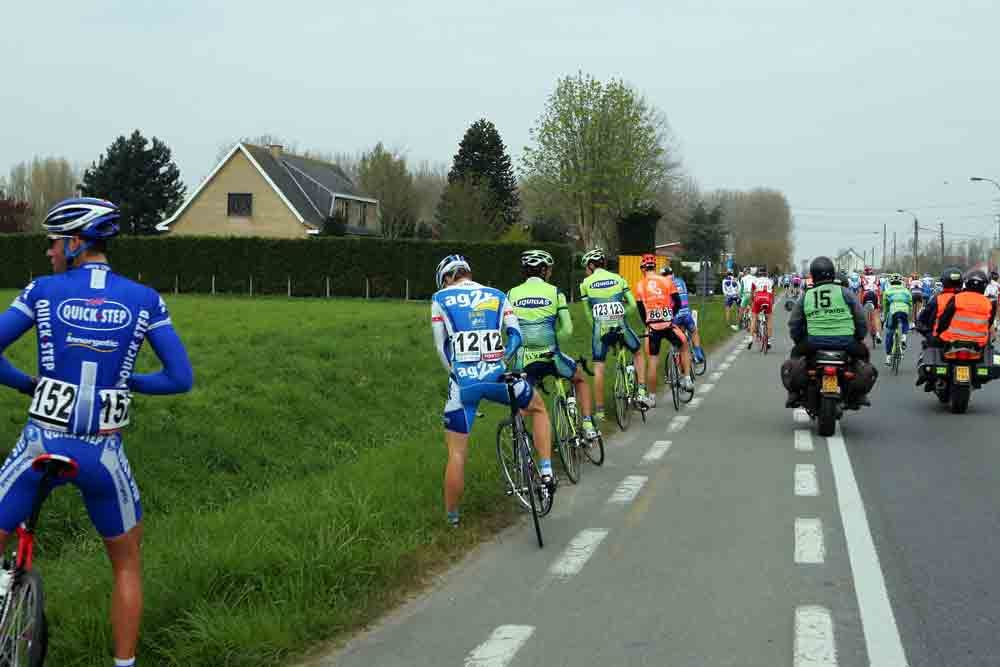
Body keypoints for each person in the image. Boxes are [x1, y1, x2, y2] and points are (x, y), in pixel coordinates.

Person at [0, 198, 194, 667]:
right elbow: (180, 378)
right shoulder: (145, 299)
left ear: (75, 242)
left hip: (42, 442)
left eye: (53, 242)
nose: (48, 252)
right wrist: (129, 381)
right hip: (103, 455)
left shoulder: (42, 290)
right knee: (126, 565)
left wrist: (27, 382)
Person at [432, 254, 555, 527]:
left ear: (447, 278)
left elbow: (441, 348)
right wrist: (501, 360)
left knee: (456, 453)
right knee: (537, 408)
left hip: (464, 383)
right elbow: (516, 336)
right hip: (499, 375)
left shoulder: (440, 299)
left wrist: (456, 373)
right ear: (467, 272)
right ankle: (546, 470)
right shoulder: (498, 294)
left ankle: (452, 521)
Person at [508, 250, 598, 440]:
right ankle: (588, 424)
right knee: (580, 380)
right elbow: (567, 330)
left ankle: (518, 440)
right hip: (551, 356)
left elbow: (509, 330)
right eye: (548, 269)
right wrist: (550, 340)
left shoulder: (510, 294)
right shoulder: (555, 292)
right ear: (542, 270)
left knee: (524, 400)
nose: (550, 273)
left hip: (523, 359)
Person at [782, 256, 876, 408]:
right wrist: (858, 337)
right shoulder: (845, 292)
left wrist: (798, 340)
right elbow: (860, 317)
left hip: (814, 342)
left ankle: (794, 394)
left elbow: (795, 322)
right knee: (863, 355)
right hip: (846, 341)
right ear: (832, 273)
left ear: (813, 275)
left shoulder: (807, 296)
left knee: (795, 356)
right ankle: (859, 394)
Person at [579, 248, 647, 421]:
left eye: (586, 267)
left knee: (599, 366)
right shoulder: (619, 279)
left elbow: (588, 315)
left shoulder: (585, 284)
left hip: (600, 329)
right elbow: (631, 305)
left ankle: (600, 412)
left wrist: (597, 326)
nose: (586, 271)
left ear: (592, 266)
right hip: (620, 326)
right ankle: (641, 390)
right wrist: (621, 314)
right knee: (638, 352)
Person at [635, 254, 693, 405]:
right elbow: (678, 302)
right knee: (684, 344)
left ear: (643, 269)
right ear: (654, 267)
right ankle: (687, 379)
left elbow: (641, 310)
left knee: (653, 361)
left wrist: (647, 324)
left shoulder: (640, 285)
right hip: (668, 324)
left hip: (652, 327)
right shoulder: (667, 281)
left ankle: (652, 398)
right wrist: (670, 316)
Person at [913, 267, 963, 388]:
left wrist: (924, 330)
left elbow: (922, 318)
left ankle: (927, 377)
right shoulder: (967, 298)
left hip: (941, 339)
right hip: (970, 340)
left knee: (927, 348)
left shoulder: (937, 299)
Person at [663, 265, 705, 363]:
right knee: (694, 331)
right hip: (686, 313)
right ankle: (698, 353)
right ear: (672, 274)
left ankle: (679, 361)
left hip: (675, 316)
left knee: (679, 339)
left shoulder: (664, 284)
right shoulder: (681, 281)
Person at [881, 273, 913, 365]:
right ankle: (903, 337)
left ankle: (888, 357)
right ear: (900, 282)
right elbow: (910, 303)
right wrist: (909, 314)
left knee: (889, 332)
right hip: (904, 310)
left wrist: (885, 317)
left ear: (891, 282)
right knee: (905, 322)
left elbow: (885, 306)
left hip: (893, 310)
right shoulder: (906, 290)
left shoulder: (887, 291)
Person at [748, 266, 775, 350]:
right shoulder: (771, 281)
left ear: (759, 273)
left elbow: (752, 294)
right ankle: (769, 341)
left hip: (758, 299)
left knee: (754, 318)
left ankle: (751, 339)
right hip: (767, 300)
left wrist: (752, 302)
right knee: (769, 319)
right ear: (766, 273)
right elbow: (773, 294)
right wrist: (771, 303)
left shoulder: (755, 281)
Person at [860, 266, 881, 344]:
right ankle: (878, 334)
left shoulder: (862, 277)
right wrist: (879, 302)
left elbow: (860, 291)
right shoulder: (876, 277)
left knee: (864, 317)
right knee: (876, 315)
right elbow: (879, 291)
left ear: (865, 272)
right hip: (874, 295)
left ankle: (863, 336)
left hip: (866, 294)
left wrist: (860, 304)